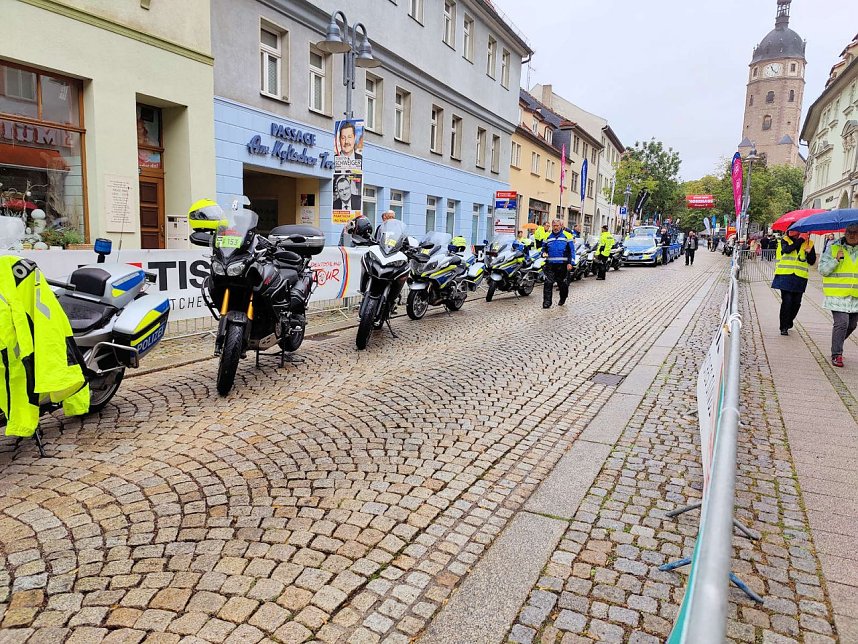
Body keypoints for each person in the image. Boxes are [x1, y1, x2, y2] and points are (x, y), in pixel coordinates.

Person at [818, 223, 858, 368]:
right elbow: (822, 270)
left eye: (855, 232)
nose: (852, 235)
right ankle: (837, 354)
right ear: (845, 233)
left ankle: (837, 342)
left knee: (852, 325)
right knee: (842, 323)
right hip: (837, 295)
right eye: (849, 232)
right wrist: (835, 260)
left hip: (855, 296)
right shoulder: (834, 248)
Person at [772, 228, 816, 336]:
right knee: (787, 301)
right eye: (791, 230)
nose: (791, 232)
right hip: (785, 275)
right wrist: (800, 240)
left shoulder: (809, 243)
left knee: (796, 303)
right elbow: (787, 250)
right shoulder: (785, 240)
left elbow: (812, 261)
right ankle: (783, 327)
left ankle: (789, 321)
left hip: (800, 276)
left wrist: (810, 252)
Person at [541, 219, 574, 308]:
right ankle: (547, 302)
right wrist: (543, 253)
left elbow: (571, 251)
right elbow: (543, 249)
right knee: (548, 283)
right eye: (554, 226)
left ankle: (563, 297)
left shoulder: (567, 235)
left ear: (561, 226)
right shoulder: (547, 236)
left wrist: (570, 263)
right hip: (550, 264)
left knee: (562, 284)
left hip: (562, 264)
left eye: (557, 226)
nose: (555, 227)